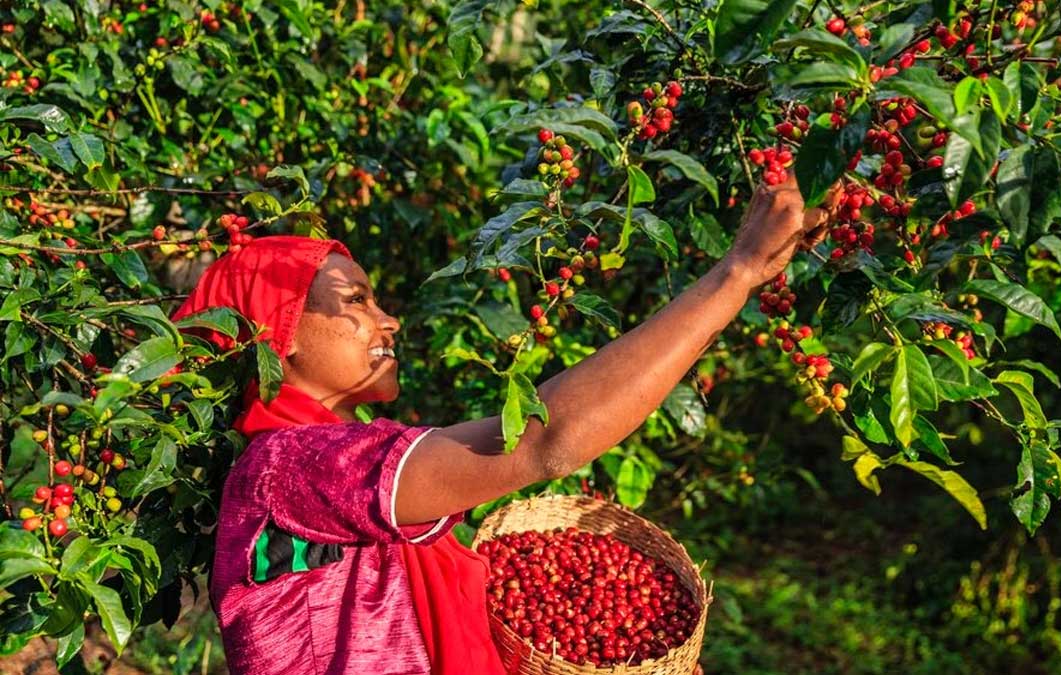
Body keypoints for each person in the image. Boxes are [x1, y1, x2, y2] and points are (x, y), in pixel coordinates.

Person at [171, 171, 836, 674]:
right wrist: (736, 273)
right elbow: (547, 441)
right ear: (275, 334)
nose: (388, 319)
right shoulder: (289, 464)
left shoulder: (330, 463)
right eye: (357, 300)